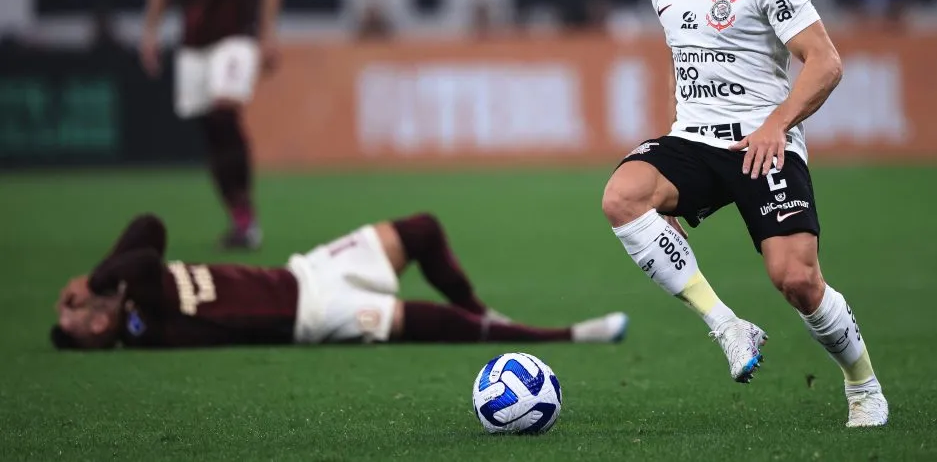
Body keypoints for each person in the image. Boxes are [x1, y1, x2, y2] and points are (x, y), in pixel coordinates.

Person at [600, 0, 887, 428]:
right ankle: (728, 325)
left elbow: (825, 62)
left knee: (798, 280)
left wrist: (776, 125)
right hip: (696, 137)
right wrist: (667, 190)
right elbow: (700, 70)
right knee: (624, 197)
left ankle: (863, 386)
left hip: (764, 141)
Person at [52, 212, 628, 350]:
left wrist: (101, 280)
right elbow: (147, 246)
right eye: (74, 320)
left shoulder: (128, 295)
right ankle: (556, 335)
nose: (75, 307)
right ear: (97, 330)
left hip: (307, 270)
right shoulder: (140, 317)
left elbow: (149, 228)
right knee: (415, 324)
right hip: (311, 314)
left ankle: (486, 312)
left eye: (70, 306)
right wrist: (101, 278)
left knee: (421, 229)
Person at [139, 0, 281, 250]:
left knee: (223, 110)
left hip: (236, 34)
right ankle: (240, 215)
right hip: (193, 41)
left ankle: (244, 213)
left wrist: (268, 34)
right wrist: (150, 31)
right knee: (208, 128)